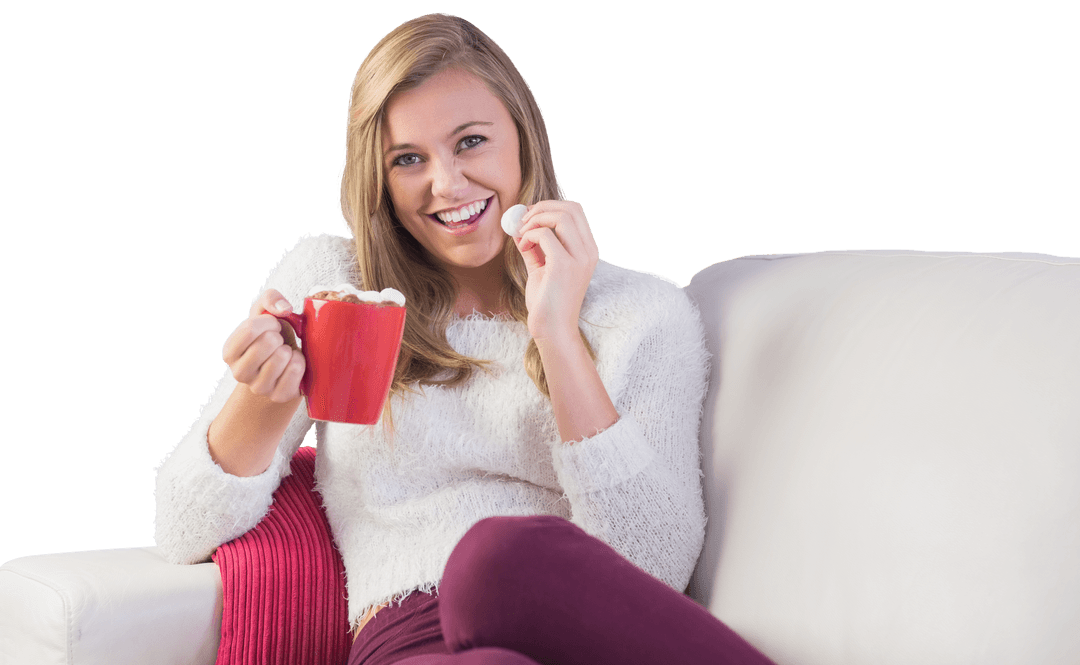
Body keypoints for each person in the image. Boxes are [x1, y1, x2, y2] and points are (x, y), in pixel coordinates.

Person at [154, 12, 776, 665]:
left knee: (495, 559)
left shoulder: (640, 311)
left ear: (524, 139)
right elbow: (182, 526)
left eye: (471, 141)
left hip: (583, 627)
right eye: (408, 159)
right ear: (381, 180)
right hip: (408, 639)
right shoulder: (333, 286)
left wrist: (558, 337)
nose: (446, 184)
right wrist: (267, 396)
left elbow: (654, 567)